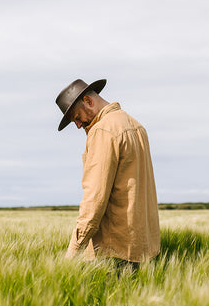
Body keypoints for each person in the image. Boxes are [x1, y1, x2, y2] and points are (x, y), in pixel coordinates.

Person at [55, 78, 160, 265]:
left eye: (77, 117)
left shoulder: (102, 131)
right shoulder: (136, 125)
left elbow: (94, 199)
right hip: (143, 248)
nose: (78, 125)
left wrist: (73, 253)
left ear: (88, 101)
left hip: (114, 251)